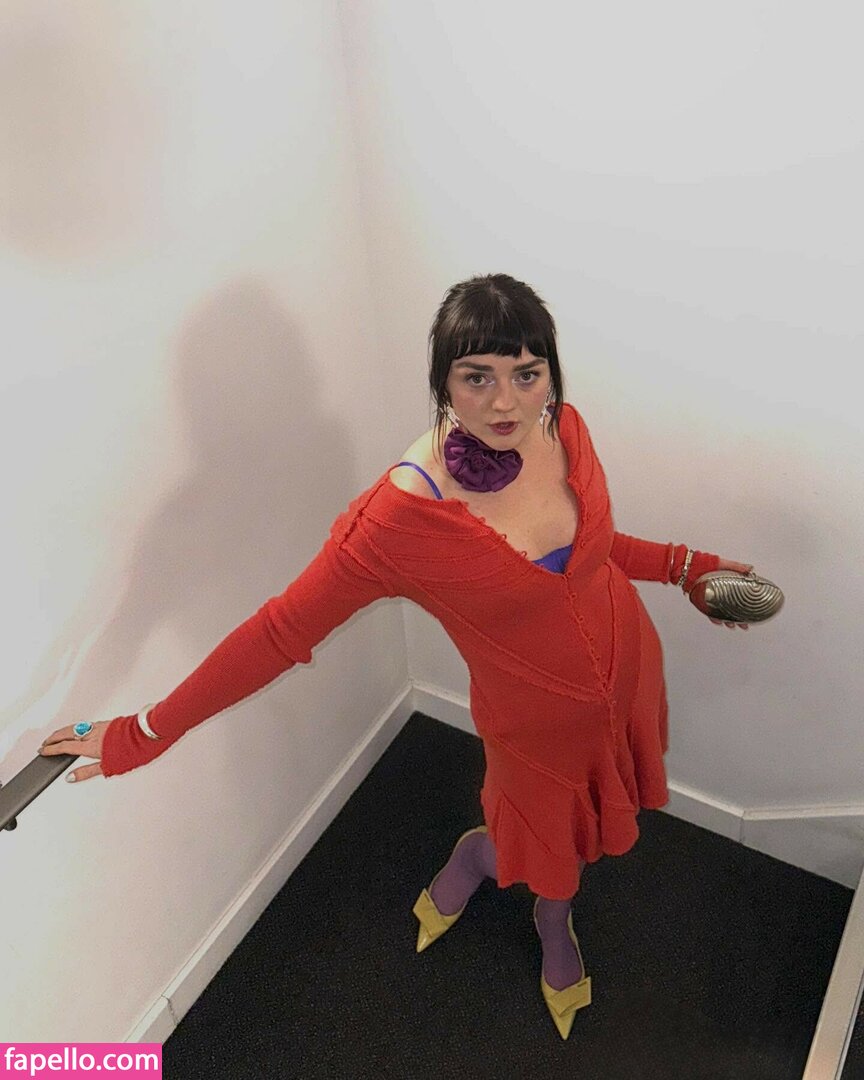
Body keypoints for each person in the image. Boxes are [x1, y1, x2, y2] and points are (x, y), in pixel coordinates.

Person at [39, 273, 753, 1040]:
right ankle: (495, 877)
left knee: (585, 837)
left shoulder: (562, 429)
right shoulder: (399, 520)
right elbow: (277, 632)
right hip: (534, 734)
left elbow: (598, 549)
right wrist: (143, 732)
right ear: (442, 382)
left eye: (527, 374)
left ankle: (550, 913)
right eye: (477, 377)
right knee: (543, 844)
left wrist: (686, 568)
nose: (508, 403)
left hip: (628, 678)